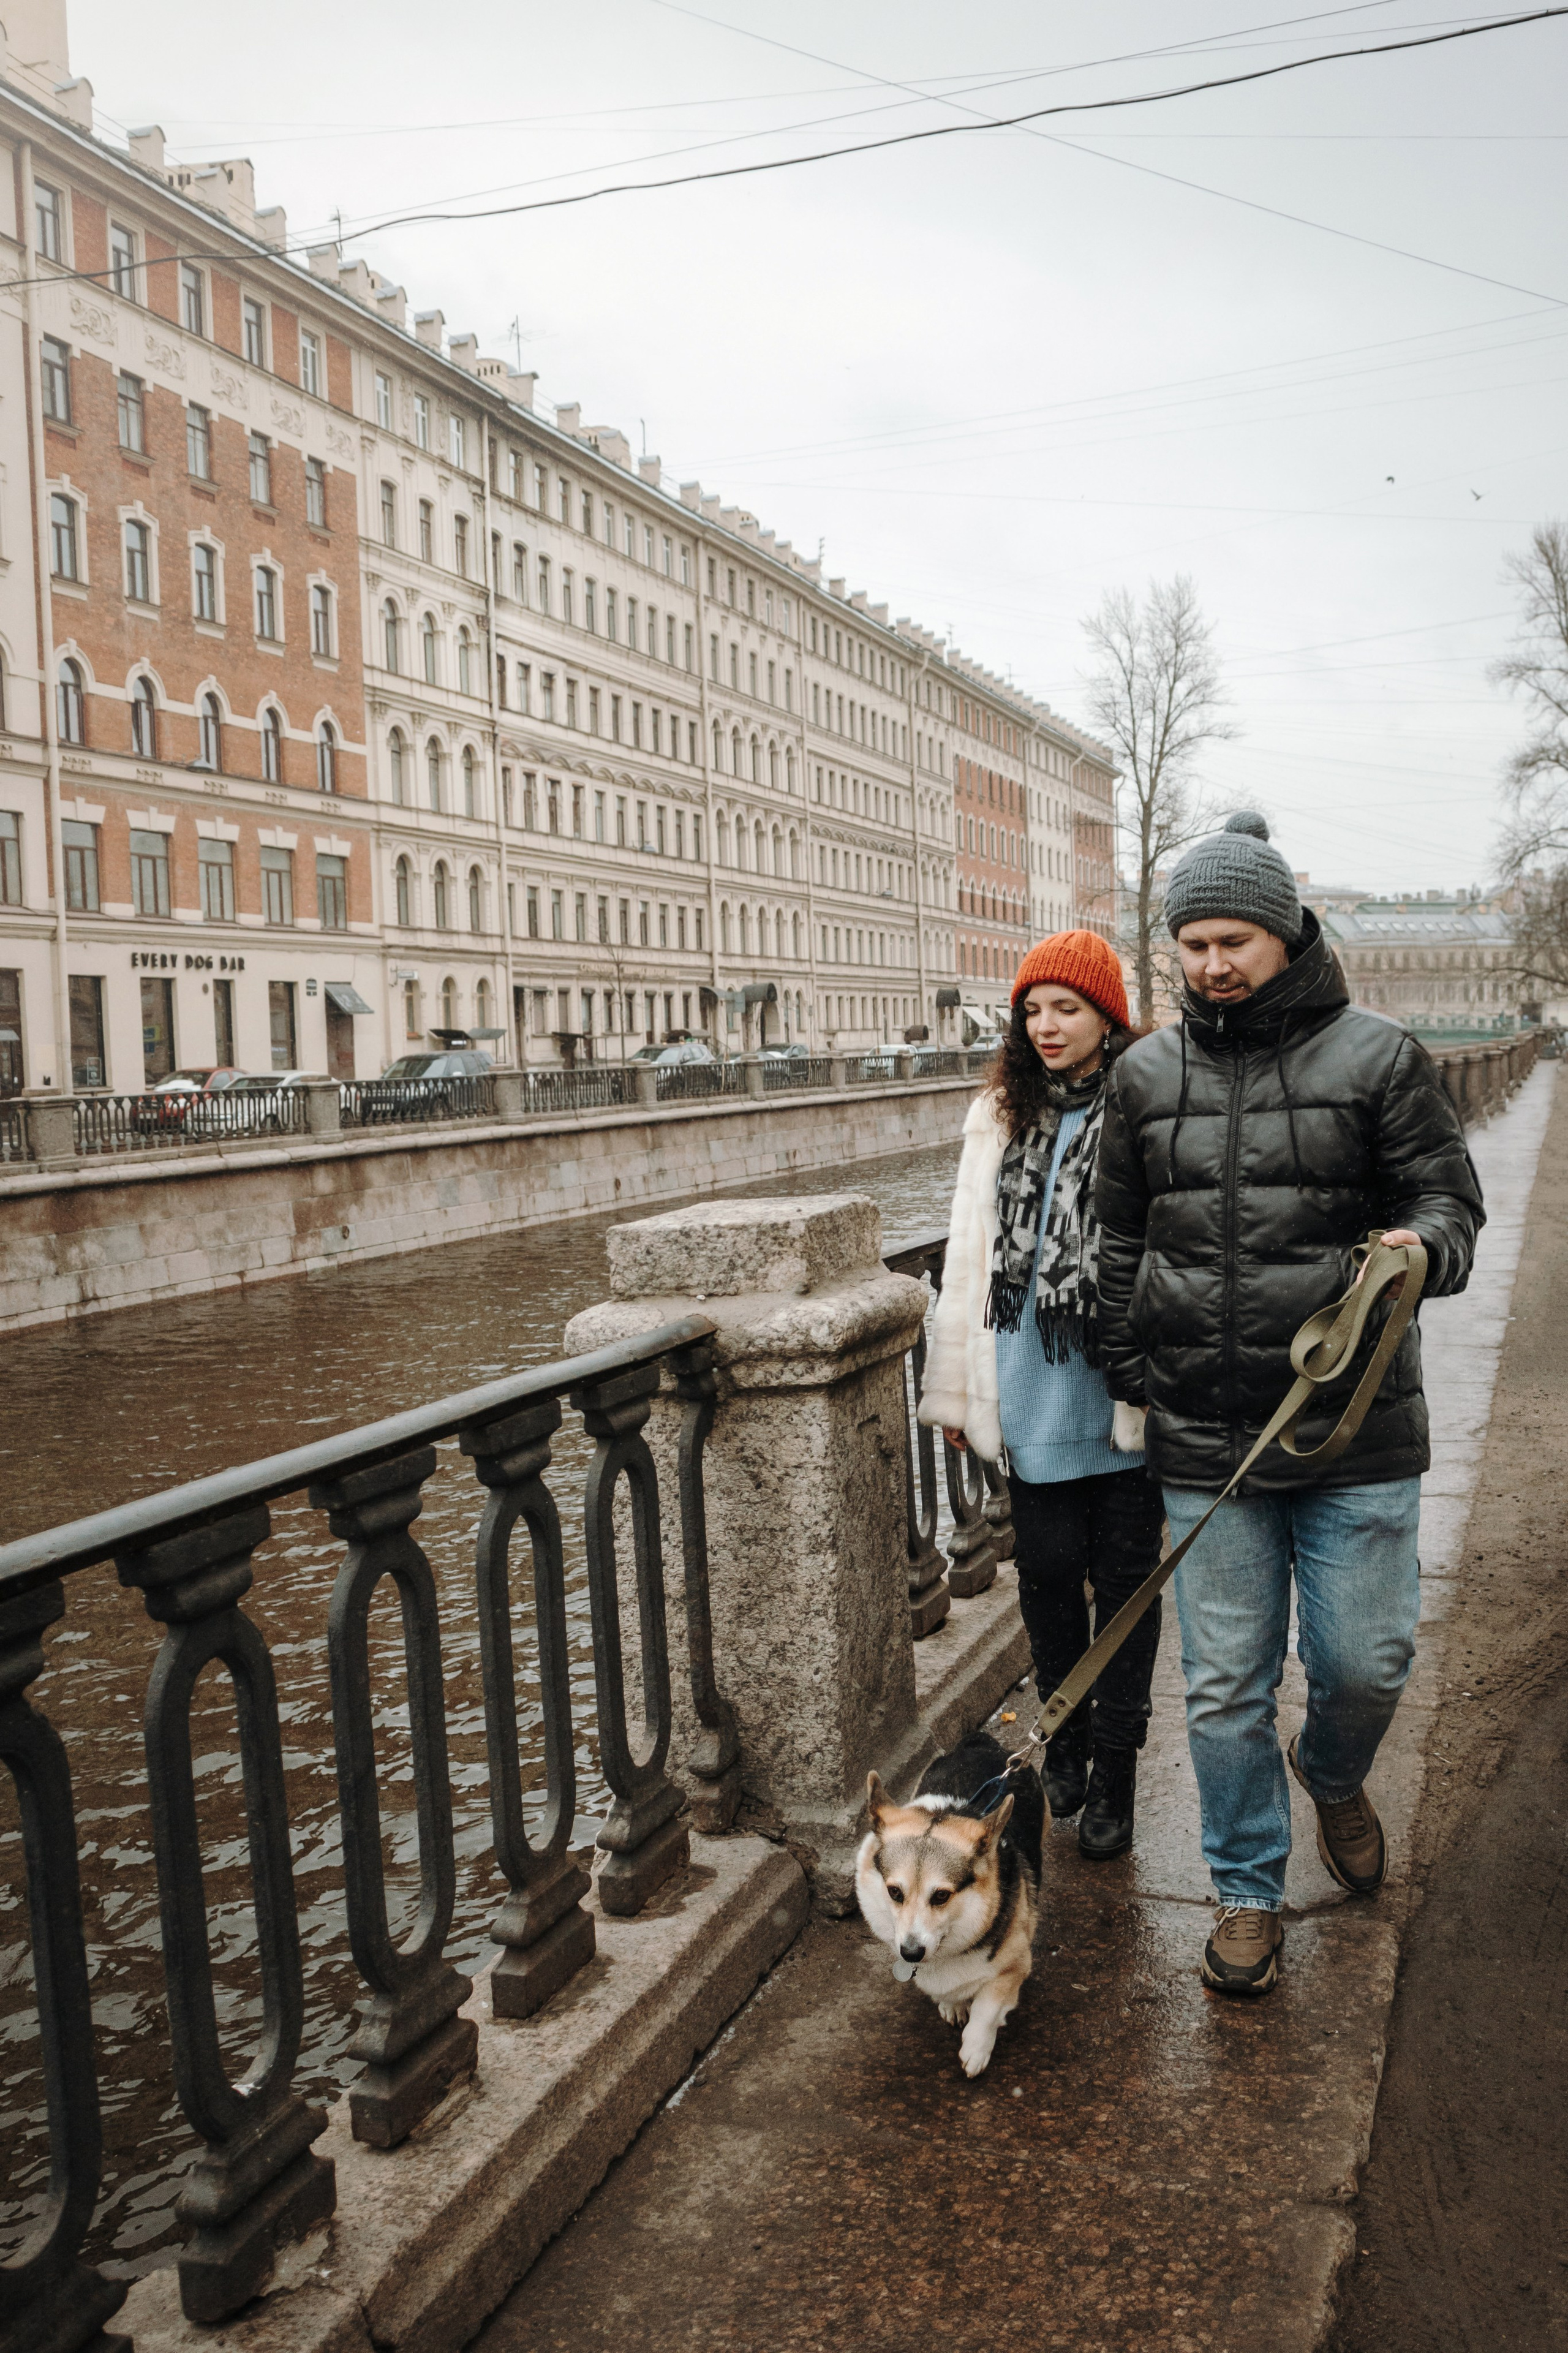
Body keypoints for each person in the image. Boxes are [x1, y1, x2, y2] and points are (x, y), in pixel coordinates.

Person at [1096, 812, 1483, 1994]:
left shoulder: (1379, 1057)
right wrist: (1132, 1381)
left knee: (1366, 1661)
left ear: (1286, 931)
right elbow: (1116, 1241)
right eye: (1194, 942)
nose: (1213, 963)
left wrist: (1419, 1244)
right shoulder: (1145, 1072)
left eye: (1236, 939)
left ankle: (1331, 1771)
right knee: (1222, 1685)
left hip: (1354, 1429)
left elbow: (1451, 1207)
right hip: (1206, 1440)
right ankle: (1247, 1888)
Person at [919, 930, 1166, 1860]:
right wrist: (955, 1393)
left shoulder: (1149, 1098)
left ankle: (1118, 1771)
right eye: (1033, 1008)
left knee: (1129, 1593)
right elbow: (965, 1254)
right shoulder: (999, 1112)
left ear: (1108, 1013)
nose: (1047, 1024)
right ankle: (1062, 1733)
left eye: (1067, 1006)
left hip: (1121, 1390)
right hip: (1026, 1381)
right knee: (1051, 1578)